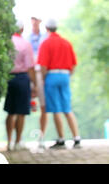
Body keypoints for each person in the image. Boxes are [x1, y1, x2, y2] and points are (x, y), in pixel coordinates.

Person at [37, 18, 81, 149]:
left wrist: (44, 78)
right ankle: (76, 138)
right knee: (67, 108)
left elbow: (43, 65)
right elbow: (73, 65)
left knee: (56, 108)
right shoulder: (66, 43)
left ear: (47, 29)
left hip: (52, 75)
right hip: (65, 75)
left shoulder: (46, 43)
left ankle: (61, 139)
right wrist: (67, 75)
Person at [4, 19, 37, 151]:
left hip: (10, 78)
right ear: (22, 29)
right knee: (21, 111)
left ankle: (9, 142)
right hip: (22, 78)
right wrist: (34, 84)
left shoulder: (7, 43)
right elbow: (30, 67)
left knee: (10, 111)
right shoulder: (25, 44)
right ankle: (18, 142)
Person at [27, 16, 47, 147]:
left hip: (42, 73)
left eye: (36, 19)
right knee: (25, 106)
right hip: (30, 73)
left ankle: (41, 137)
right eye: (32, 19)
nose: (34, 21)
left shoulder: (44, 38)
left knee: (44, 107)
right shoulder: (27, 39)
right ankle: (17, 140)